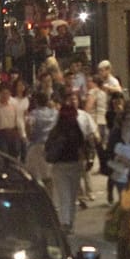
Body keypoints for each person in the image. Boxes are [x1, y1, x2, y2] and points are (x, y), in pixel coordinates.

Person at [44, 98, 88, 231]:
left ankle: (65, 222)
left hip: (59, 166)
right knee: (72, 195)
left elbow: (48, 147)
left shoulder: (56, 131)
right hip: (74, 165)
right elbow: (83, 148)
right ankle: (70, 223)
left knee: (64, 195)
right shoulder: (77, 131)